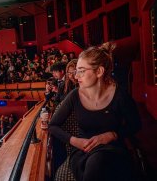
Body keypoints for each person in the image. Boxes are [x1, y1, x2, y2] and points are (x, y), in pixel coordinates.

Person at [49, 42, 142, 181]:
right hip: (83, 150)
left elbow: (136, 125)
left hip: (112, 148)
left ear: (99, 71)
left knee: (101, 163)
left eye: (81, 71)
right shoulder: (74, 96)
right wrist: (75, 141)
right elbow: (52, 126)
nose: (75, 76)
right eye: (76, 71)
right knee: (95, 164)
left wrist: (113, 135)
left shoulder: (120, 96)